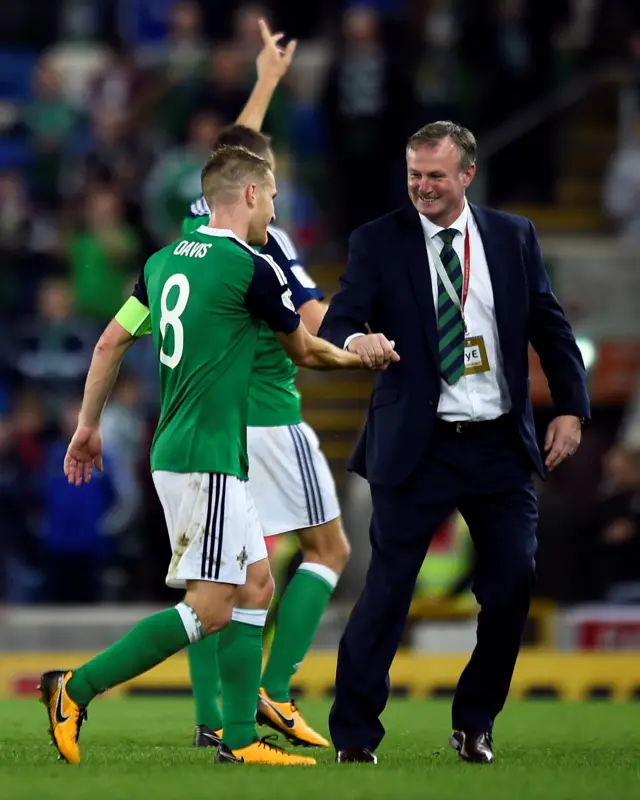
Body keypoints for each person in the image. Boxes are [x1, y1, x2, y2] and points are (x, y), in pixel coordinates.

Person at [40, 145, 387, 767]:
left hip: (180, 447)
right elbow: (306, 350)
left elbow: (110, 342)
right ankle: (76, 688)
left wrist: (87, 425)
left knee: (256, 584)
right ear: (250, 195)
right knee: (210, 605)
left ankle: (238, 737)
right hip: (204, 457)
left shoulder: (162, 261)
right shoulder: (249, 267)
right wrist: (362, 356)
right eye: (274, 195)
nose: (275, 207)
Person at [319, 121, 590, 765]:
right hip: (419, 445)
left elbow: (552, 328)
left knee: (512, 583)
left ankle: (475, 721)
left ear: (467, 174)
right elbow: (338, 318)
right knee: (387, 591)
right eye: (414, 175)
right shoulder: (376, 240)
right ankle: (354, 733)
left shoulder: (512, 236)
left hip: (498, 442)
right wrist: (359, 341)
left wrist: (572, 410)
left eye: (436, 176)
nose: (423, 187)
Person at [180, 21, 351, 751]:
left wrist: (267, 82)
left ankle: (213, 717)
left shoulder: (202, 222)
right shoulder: (269, 243)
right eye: (272, 180)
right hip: (272, 415)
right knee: (329, 549)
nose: (277, 188)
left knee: (214, 575)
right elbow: (314, 327)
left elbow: (233, 155)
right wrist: (363, 339)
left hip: (205, 420)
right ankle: (277, 692)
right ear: (258, 189)